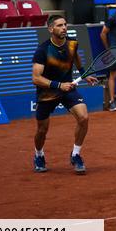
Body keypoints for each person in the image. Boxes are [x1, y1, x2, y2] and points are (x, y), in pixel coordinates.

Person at [31, 15, 99, 174]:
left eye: (65, 25)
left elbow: (77, 61)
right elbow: (36, 78)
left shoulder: (72, 44)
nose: (64, 28)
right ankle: (38, 155)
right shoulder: (43, 50)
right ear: (50, 29)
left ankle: (76, 155)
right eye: (60, 25)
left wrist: (84, 74)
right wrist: (58, 85)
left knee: (84, 117)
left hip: (68, 90)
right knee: (42, 130)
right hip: (47, 93)